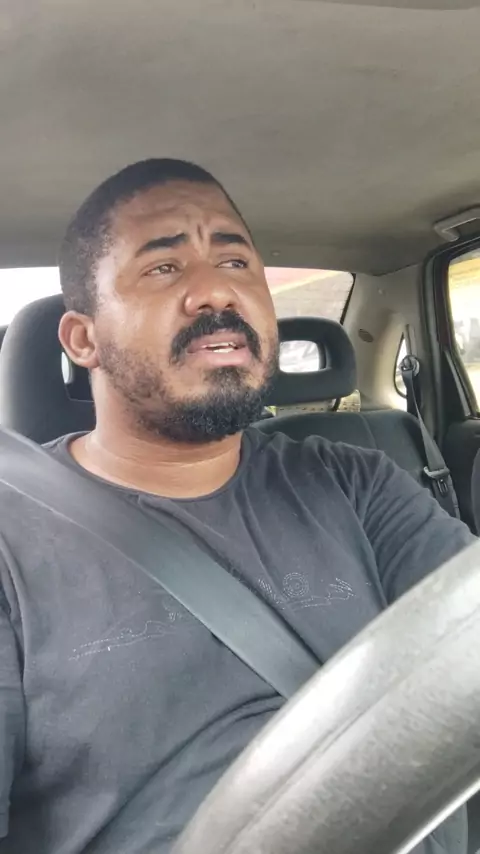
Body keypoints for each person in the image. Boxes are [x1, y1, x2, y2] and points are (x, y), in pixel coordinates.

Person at [0, 158, 474, 854]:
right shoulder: (12, 537)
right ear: (83, 339)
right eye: (163, 267)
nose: (216, 290)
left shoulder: (355, 481)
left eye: (236, 261)